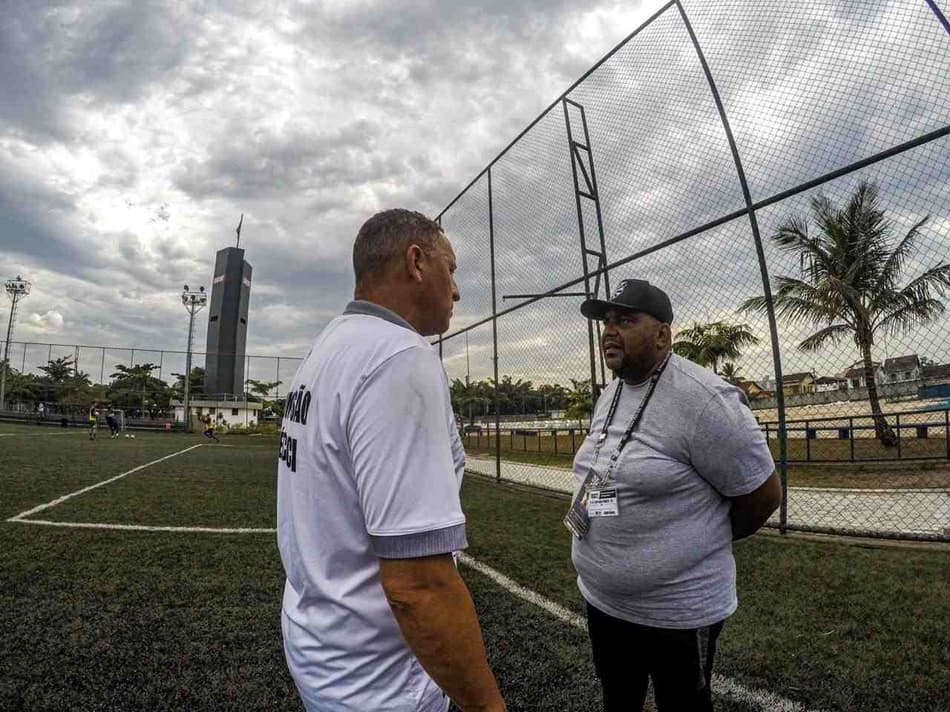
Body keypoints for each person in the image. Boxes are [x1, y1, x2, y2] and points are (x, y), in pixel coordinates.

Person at [277, 209, 504, 712]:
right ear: (417, 262)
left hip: (323, 650)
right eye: (452, 267)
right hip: (378, 681)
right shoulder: (398, 356)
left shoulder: (327, 348)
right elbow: (416, 585)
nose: (458, 289)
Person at [566, 278, 781, 712]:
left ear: (663, 334)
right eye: (606, 321)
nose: (610, 330)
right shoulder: (611, 391)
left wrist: (694, 544)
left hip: (675, 613)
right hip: (604, 600)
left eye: (626, 320)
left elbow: (762, 496)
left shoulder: (705, 400)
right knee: (618, 699)